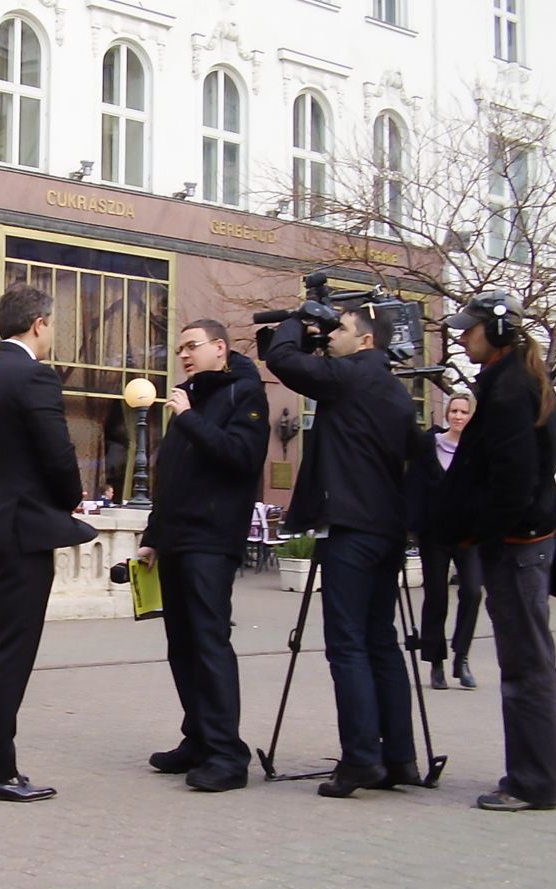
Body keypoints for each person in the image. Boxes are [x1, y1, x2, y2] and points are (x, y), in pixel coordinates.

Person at [0, 283, 97, 803]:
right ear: (39, 323)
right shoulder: (34, 375)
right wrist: (70, 498)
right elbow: (57, 453)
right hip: (22, 532)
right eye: (51, 324)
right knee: (10, 653)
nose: (51, 333)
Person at [265, 306, 420, 798]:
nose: (332, 337)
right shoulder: (395, 390)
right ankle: (399, 757)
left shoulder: (352, 375)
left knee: (348, 644)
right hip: (386, 528)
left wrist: (296, 321)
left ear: (366, 341)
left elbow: (283, 361)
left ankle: (360, 759)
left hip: (350, 528)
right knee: (381, 641)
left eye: (341, 330)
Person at [433, 292, 556, 812]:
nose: (462, 337)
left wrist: (482, 533)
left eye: (469, 330)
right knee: (536, 661)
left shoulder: (510, 388)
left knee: (524, 666)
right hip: (525, 540)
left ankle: (532, 782)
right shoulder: (515, 378)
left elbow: (514, 480)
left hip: (517, 545)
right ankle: (551, 769)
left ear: (497, 331)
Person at [136, 320, 269, 792]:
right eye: (180, 349)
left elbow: (241, 457)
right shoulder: (188, 400)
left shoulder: (244, 394)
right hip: (176, 539)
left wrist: (190, 419)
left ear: (220, 348)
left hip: (211, 539)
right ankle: (198, 738)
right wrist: (153, 536)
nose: (184, 355)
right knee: (182, 645)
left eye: (192, 346)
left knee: (210, 643)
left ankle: (227, 754)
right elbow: (172, 476)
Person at [406, 393, 484, 691]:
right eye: (454, 411)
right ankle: (436, 661)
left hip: (468, 535)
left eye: (464, 412)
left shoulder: (477, 450)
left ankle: (461, 657)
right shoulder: (429, 446)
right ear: (447, 414)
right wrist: (411, 526)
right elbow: (413, 486)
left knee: (473, 591)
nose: (458, 416)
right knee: (437, 597)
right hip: (434, 534)